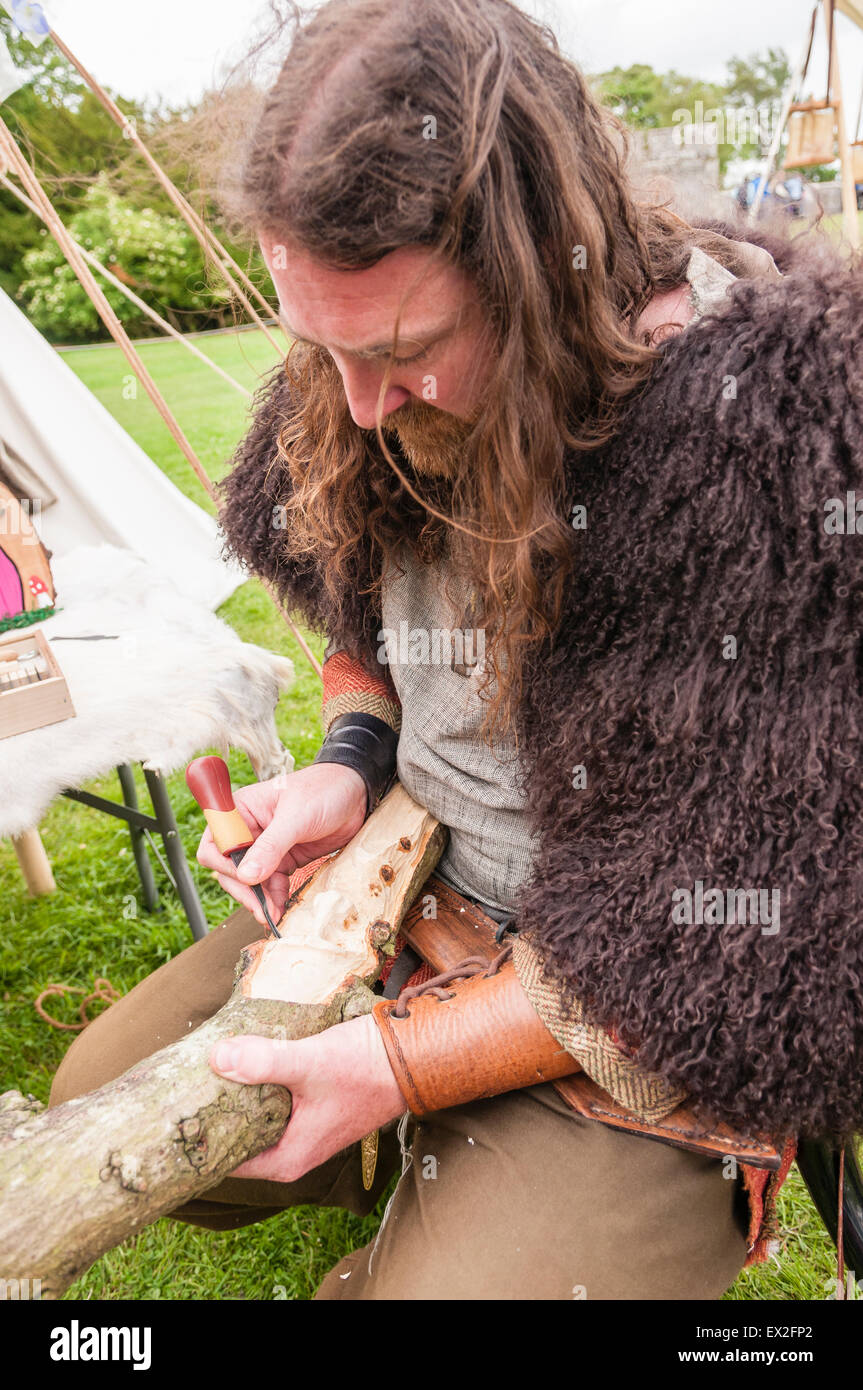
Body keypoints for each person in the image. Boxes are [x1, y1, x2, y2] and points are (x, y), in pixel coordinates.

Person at [51, 0, 863, 1300]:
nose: (362, 404)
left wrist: (398, 1063)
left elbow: (746, 934)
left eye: (405, 350)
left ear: (543, 261)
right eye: (327, 345)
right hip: (409, 896)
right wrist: (355, 756)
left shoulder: (757, 445)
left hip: (627, 1008)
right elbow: (354, 613)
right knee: (96, 1101)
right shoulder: (358, 381)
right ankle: (429, 1176)